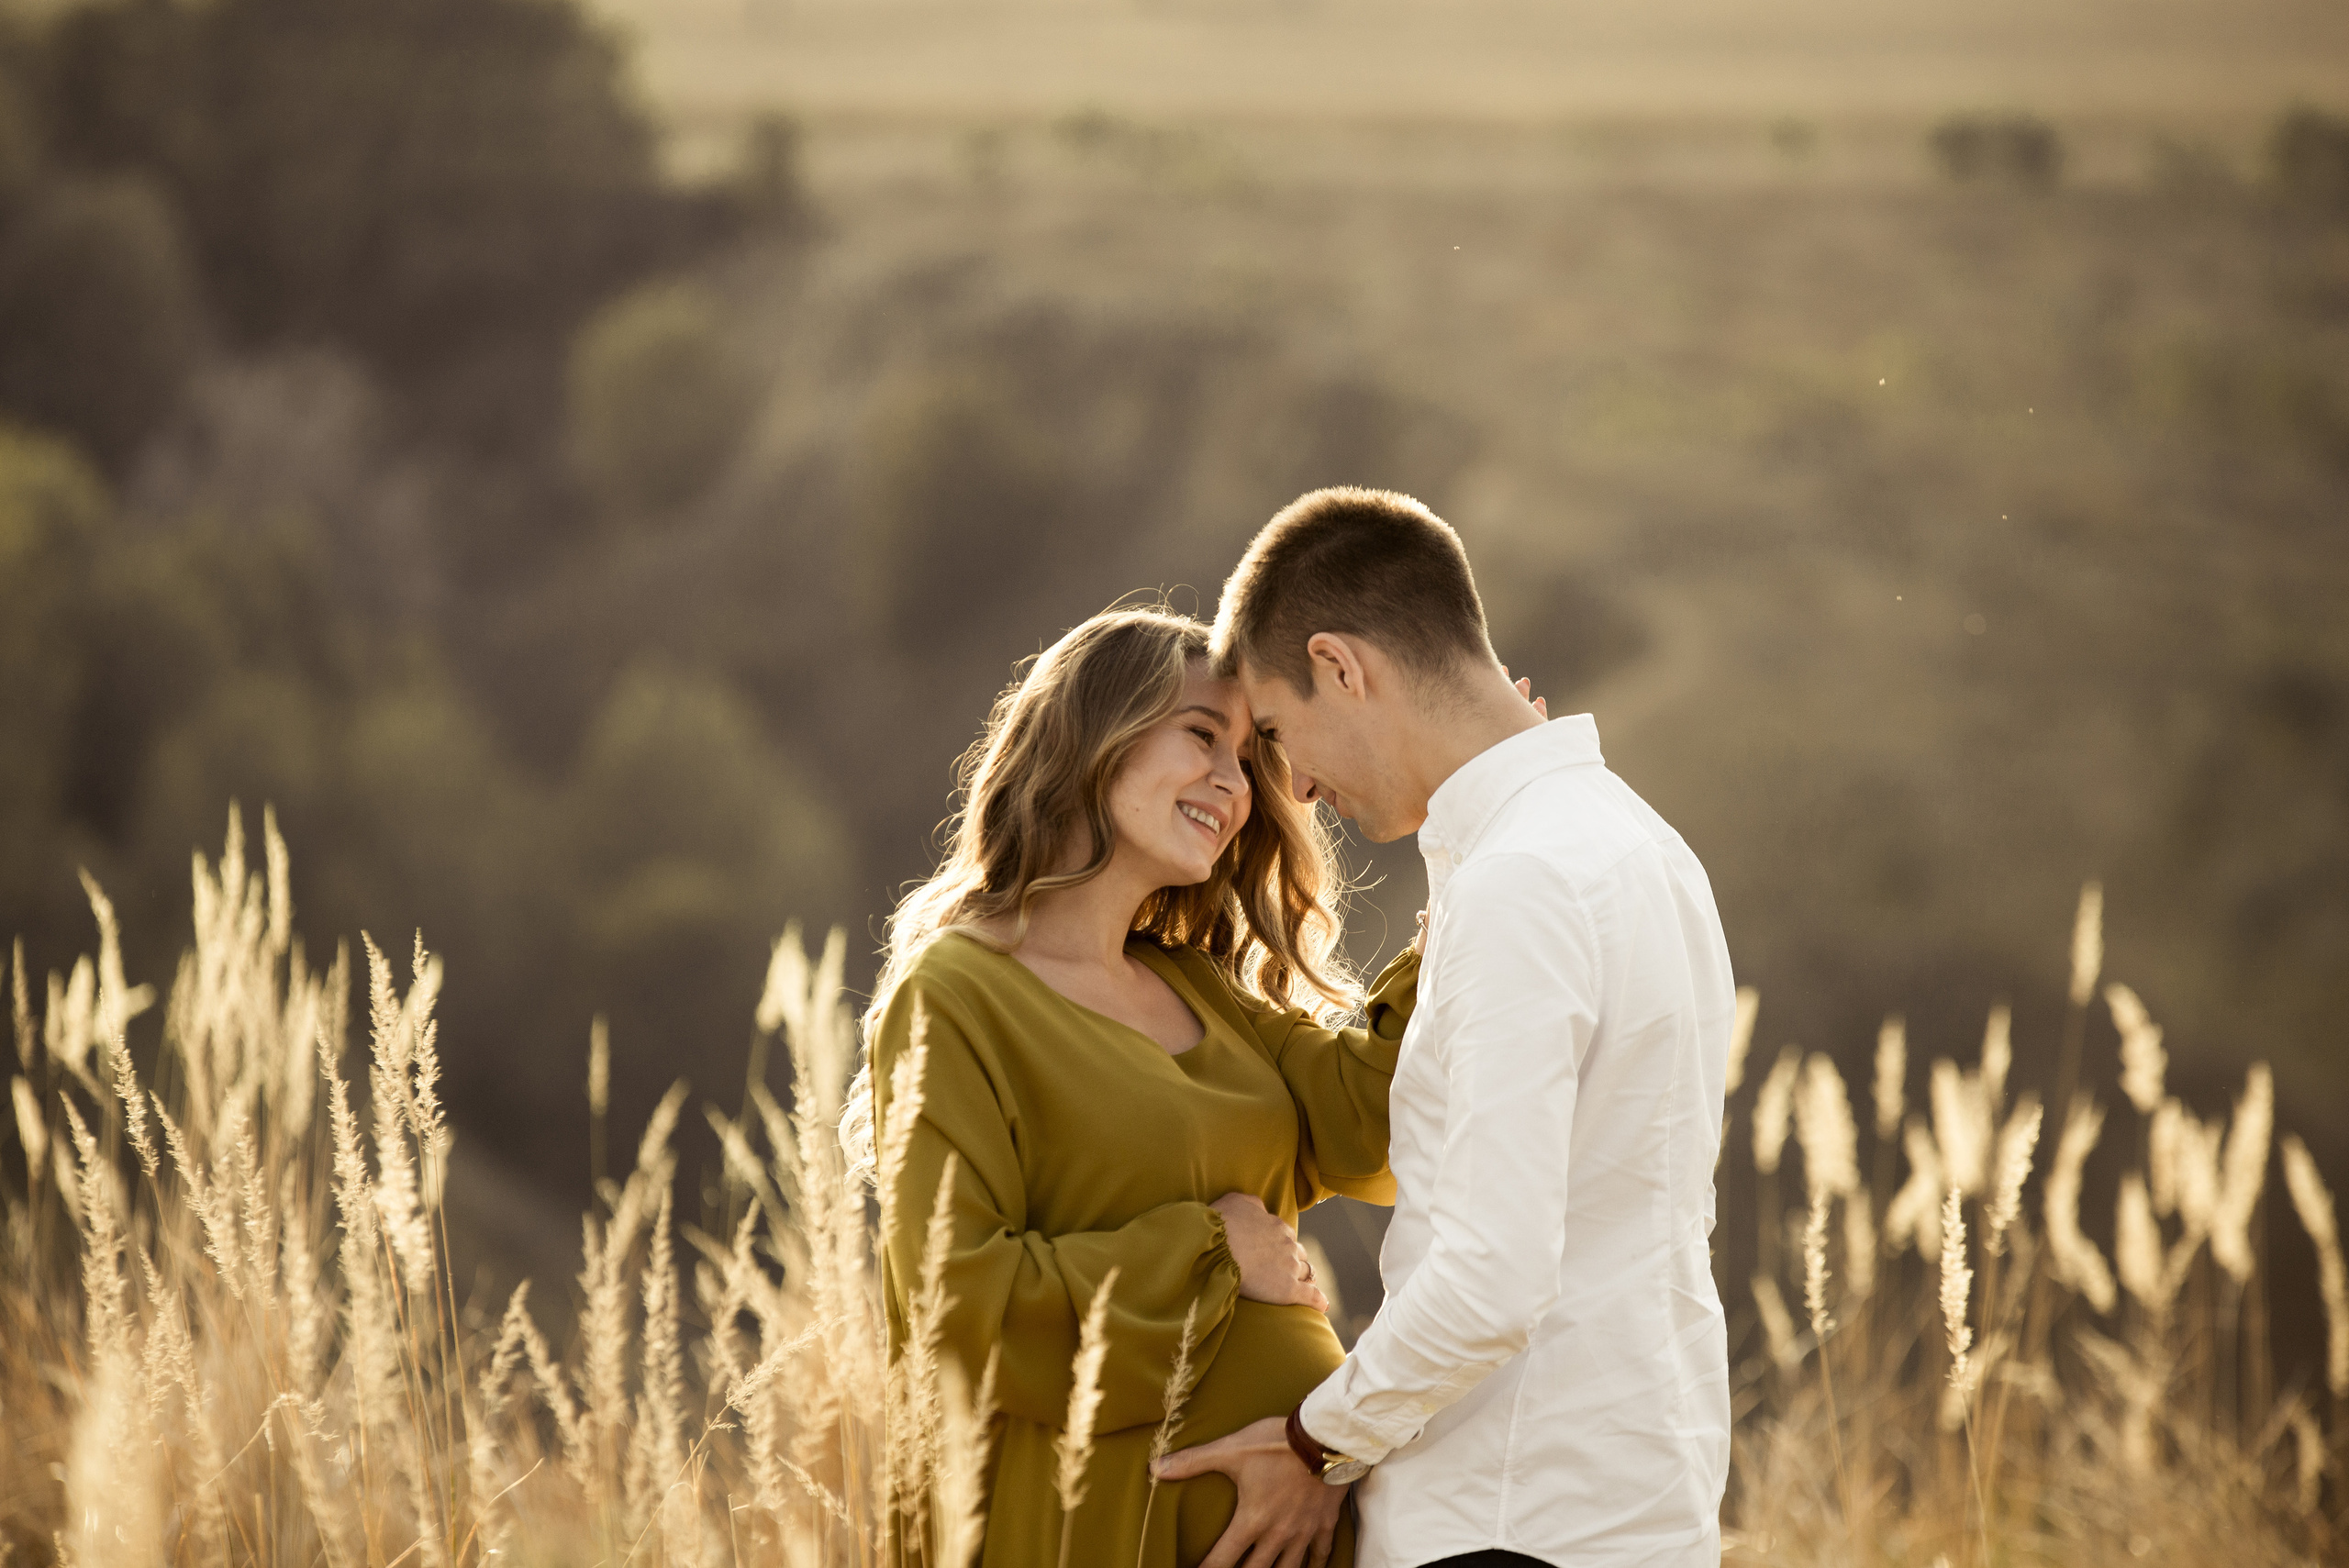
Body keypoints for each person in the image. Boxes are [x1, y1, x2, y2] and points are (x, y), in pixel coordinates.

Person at [851, 605, 1520, 1568]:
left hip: (1295, 1518)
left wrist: (1468, 835)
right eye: (1202, 736)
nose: (1233, 782)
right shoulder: (955, 995)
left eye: (1248, 756)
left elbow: (1375, 1123)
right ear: (1094, 735)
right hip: (1093, 1524)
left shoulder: (1192, 982)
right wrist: (1212, 1250)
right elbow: (957, 1302)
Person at [1155, 489, 1736, 1568]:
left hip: (1506, 1517)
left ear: (1342, 665)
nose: (1297, 784)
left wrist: (1313, 1440)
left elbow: (1489, 1275)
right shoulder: (1644, 847)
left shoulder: (1520, 882)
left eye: (1279, 733)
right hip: (1643, 1501)